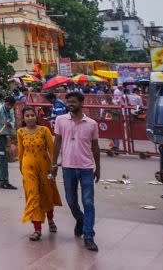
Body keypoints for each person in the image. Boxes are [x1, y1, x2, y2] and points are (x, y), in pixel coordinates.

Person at [51, 91, 101, 252]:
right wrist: (53, 164)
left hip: (86, 167)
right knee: (71, 201)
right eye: (68, 102)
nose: (70, 104)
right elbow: (57, 142)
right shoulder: (60, 120)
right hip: (68, 167)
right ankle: (80, 220)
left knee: (88, 202)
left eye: (73, 101)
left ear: (81, 103)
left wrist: (98, 167)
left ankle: (89, 236)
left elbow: (95, 147)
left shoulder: (92, 124)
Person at [17, 106, 62, 241]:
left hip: (45, 167)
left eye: (32, 115)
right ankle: (37, 229)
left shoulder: (44, 130)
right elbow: (20, 153)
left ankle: (50, 219)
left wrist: (54, 166)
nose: (30, 118)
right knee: (33, 195)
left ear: (36, 117)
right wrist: (22, 169)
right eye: (27, 116)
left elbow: (52, 149)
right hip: (27, 167)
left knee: (47, 194)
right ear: (23, 118)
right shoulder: (20, 132)